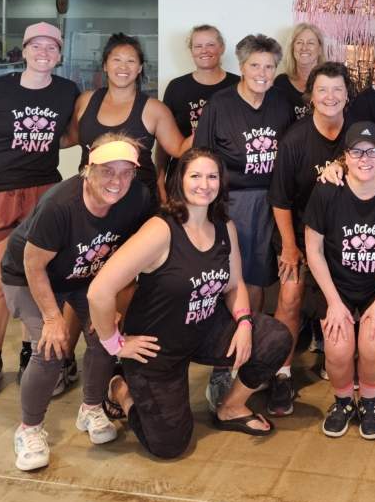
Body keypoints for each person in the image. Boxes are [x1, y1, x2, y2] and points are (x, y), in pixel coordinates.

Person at [88, 148, 293, 460]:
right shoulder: (160, 229)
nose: (204, 184)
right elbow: (99, 291)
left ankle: (231, 407)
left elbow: (235, 285)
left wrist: (244, 323)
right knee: (169, 446)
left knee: (276, 338)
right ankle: (121, 388)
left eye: (212, 176)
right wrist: (114, 344)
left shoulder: (225, 226)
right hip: (156, 346)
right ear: (179, 181)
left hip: (203, 329)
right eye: (195, 175)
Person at [0, 135, 150, 471]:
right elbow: (33, 264)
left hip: (83, 276)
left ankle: (92, 408)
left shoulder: (137, 198)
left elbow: (132, 255)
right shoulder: (60, 204)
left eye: (126, 172)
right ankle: (29, 429)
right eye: (108, 171)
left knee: (103, 335)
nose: (117, 180)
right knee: (51, 346)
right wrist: (53, 318)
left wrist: (114, 303)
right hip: (28, 276)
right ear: (88, 169)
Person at [0, 22, 80, 398]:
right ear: (23, 50)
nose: (44, 53)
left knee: (34, 280)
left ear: (59, 54)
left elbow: (72, 134)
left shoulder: (66, 91)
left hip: (42, 191)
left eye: (51, 47)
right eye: (36, 46)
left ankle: (29, 352)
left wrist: (38, 150)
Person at [192, 33, 293, 410]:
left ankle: (248, 356)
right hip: (228, 204)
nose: (262, 73)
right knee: (224, 282)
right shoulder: (219, 104)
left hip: (268, 203)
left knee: (255, 282)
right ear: (241, 65)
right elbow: (201, 158)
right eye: (255, 66)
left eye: (269, 66)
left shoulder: (281, 105)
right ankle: (221, 364)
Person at [303, 122, 375, 439]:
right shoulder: (327, 190)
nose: (364, 158)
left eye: (372, 151)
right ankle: (342, 402)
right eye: (356, 151)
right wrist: (333, 303)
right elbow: (312, 250)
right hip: (335, 285)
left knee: (373, 343)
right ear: (345, 157)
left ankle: (368, 402)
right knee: (339, 348)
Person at [267, 62, 357, 415]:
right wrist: (290, 246)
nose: (330, 97)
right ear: (311, 96)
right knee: (290, 295)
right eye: (323, 90)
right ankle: (281, 372)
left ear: (347, 95)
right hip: (300, 233)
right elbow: (280, 199)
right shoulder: (295, 139)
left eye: (337, 89)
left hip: (345, 237)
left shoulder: (359, 134)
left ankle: (349, 369)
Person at [72, 33, 190, 203]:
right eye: (116, 60)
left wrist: (210, 121)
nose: (123, 67)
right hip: (91, 200)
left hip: (139, 203)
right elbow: (70, 138)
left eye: (131, 61)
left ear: (140, 67)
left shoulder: (155, 109)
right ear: (105, 65)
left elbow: (179, 149)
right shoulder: (85, 101)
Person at [158, 24, 240, 198]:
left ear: (222, 48)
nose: (204, 50)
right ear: (191, 50)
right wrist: (159, 178)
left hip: (226, 179)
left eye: (210, 44)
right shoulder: (176, 87)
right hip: (183, 177)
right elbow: (163, 141)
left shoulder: (239, 86)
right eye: (198, 46)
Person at [273, 22, 326, 121]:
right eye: (299, 42)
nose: (304, 47)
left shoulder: (330, 82)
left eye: (310, 43)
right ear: (292, 48)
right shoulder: (281, 83)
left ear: (319, 49)